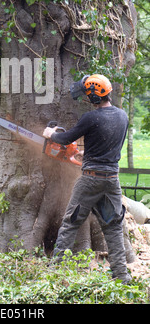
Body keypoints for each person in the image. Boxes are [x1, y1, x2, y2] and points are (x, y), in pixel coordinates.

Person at [43, 74, 131, 284]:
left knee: (71, 222)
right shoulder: (123, 116)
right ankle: (121, 275)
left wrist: (49, 134)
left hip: (90, 181)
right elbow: (109, 145)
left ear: (93, 96)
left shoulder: (91, 118)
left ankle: (56, 270)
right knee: (113, 228)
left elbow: (66, 138)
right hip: (111, 181)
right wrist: (88, 154)